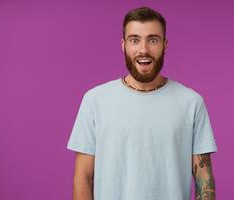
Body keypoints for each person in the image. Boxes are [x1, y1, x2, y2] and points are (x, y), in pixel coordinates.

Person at [67, 6, 218, 200]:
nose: (143, 49)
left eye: (153, 40)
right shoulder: (95, 100)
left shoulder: (191, 102)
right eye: (134, 40)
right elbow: (83, 178)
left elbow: (203, 177)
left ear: (165, 44)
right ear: (123, 45)